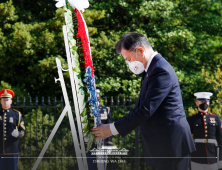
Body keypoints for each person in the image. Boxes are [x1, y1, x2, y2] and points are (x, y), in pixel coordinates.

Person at [91, 32, 196, 170]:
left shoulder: (160, 70)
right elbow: (140, 109)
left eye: (128, 59)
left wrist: (111, 129)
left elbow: (146, 110)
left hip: (171, 146)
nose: (128, 63)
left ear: (140, 50)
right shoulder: (151, 70)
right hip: (164, 146)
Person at [187, 92, 222, 170]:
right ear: (197, 103)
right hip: (196, 157)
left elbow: (220, 140)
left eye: (205, 102)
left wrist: (220, 159)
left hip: (212, 157)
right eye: (201, 102)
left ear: (209, 103)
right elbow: (187, 139)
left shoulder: (216, 118)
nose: (204, 103)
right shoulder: (192, 119)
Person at [86, 87, 112, 170]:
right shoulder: (86, 110)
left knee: (101, 167)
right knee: (90, 166)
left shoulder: (105, 110)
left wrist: (109, 143)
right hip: (89, 144)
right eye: (94, 93)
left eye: (97, 93)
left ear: (99, 96)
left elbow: (109, 126)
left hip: (102, 144)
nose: (96, 95)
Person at [0, 89, 25, 170]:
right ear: (1, 101)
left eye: (7, 100)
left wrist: (19, 134)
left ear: (11, 101)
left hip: (13, 150)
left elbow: (22, 130)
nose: (5, 102)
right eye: (3, 100)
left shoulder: (17, 114)